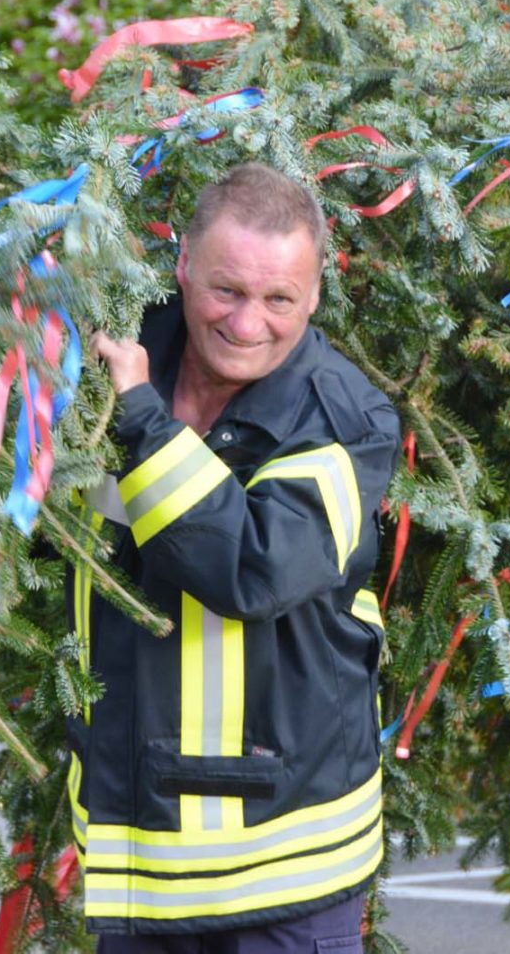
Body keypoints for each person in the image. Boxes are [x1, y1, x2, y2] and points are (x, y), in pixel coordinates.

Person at [78, 162, 401, 950]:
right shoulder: (109, 361)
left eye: (278, 299)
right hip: (138, 854)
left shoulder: (346, 422)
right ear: (183, 264)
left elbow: (253, 570)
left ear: (315, 295)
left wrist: (142, 419)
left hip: (284, 870)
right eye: (226, 290)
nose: (248, 323)